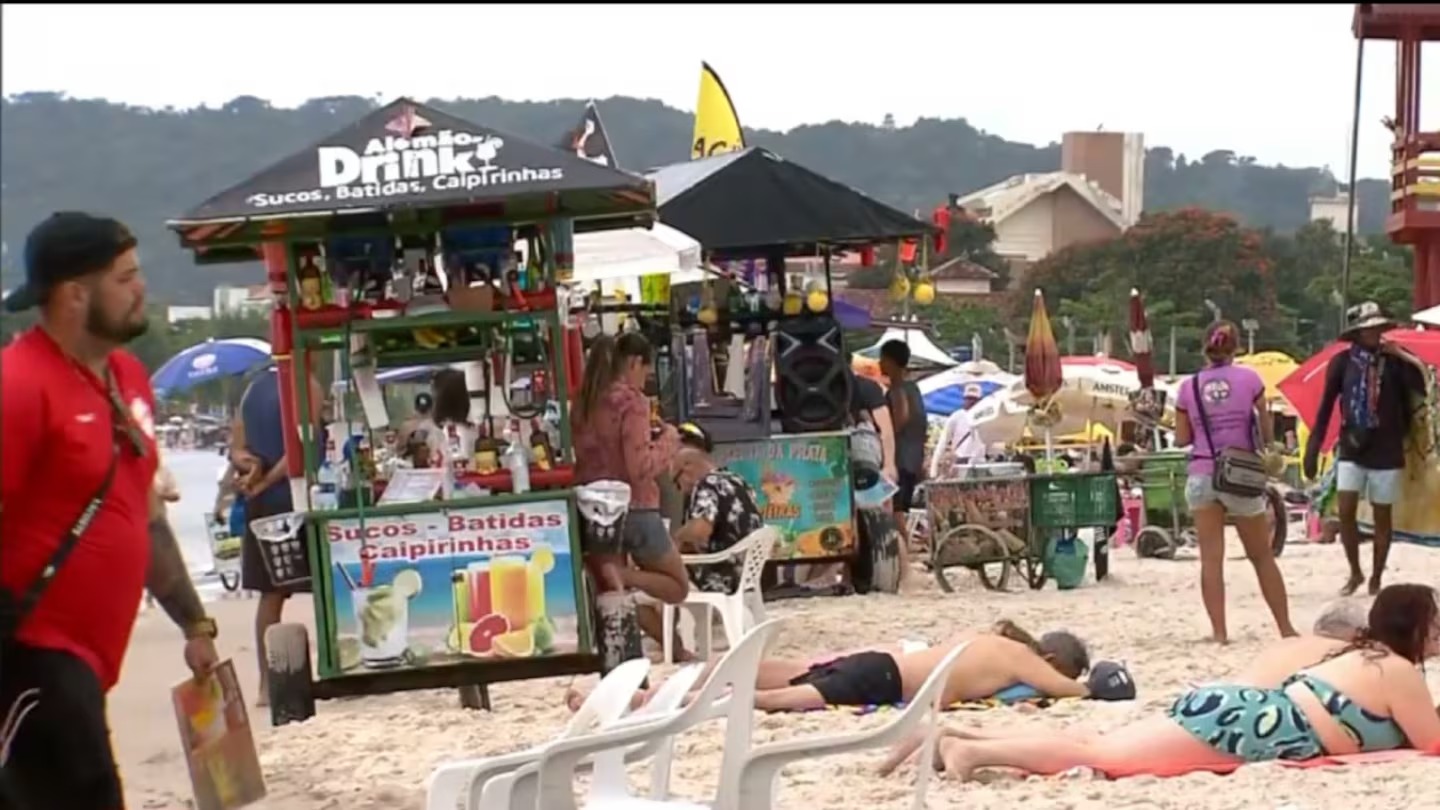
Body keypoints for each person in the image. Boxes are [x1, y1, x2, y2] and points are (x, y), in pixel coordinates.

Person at [0, 212, 218, 809]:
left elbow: (144, 513)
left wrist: (194, 625)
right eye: (124, 278)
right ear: (74, 295)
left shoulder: (127, 377)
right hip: (32, 651)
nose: (141, 288)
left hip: (90, 664)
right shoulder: (18, 385)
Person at [881, 583, 1440, 782]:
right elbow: (1431, 742)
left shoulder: (1365, 656)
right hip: (1251, 726)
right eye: (1435, 625)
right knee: (1102, 755)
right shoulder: (1397, 671)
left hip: (1241, 711)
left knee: (1098, 744)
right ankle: (971, 753)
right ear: (1414, 629)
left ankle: (953, 739)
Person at [1174, 321, 1296, 643]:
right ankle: (1285, 627)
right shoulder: (1251, 380)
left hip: (1202, 473)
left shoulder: (1188, 386)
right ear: (1236, 347)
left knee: (1211, 560)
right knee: (1262, 556)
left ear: (1204, 347)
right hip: (1240, 474)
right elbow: (1265, 433)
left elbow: (1182, 438)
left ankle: (1220, 632)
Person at [1303, 301, 1427, 596]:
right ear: (1357, 333)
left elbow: (1421, 386)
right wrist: (1313, 447)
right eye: (1367, 329)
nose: (1373, 334)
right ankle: (1355, 571)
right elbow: (1326, 406)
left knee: (1382, 516)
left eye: (1377, 329)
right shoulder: (1342, 363)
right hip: (1352, 445)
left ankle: (1376, 577)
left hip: (1388, 448)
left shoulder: (1396, 362)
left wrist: (1405, 357)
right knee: (1346, 510)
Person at [573, 333, 689, 603]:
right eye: (645, 373)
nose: (644, 381)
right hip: (634, 508)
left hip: (593, 512)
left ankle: (620, 581)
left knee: (612, 597)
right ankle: (626, 576)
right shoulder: (632, 402)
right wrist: (669, 441)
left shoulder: (582, 402)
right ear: (634, 362)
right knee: (677, 586)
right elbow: (640, 467)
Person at [234, 364, 324, 706]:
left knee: (270, 595)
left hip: (260, 504)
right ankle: (330, 666)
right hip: (296, 498)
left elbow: (236, 449)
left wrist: (251, 471)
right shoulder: (306, 383)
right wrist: (268, 479)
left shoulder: (251, 390)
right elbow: (303, 446)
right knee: (324, 587)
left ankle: (266, 684)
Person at [638, 436, 766, 660]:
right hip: (743, 572)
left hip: (720, 575)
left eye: (677, 482)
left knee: (638, 597)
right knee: (670, 575)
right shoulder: (736, 480)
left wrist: (674, 539)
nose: (681, 491)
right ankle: (673, 639)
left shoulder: (706, 485)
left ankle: (677, 650)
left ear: (687, 469)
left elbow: (701, 529)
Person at [879, 340, 927, 586]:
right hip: (914, 458)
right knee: (900, 510)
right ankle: (904, 558)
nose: (879, 363)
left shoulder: (897, 390)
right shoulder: (914, 388)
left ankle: (903, 561)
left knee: (895, 511)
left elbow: (902, 416)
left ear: (891, 361)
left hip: (900, 458)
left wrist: (885, 434)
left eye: (882, 358)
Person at [929, 382, 987, 479]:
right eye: (969, 398)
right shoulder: (956, 416)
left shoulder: (985, 417)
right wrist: (933, 469)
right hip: (961, 462)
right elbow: (943, 442)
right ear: (964, 399)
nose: (971, 402)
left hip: (979, 463)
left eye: (974, 399)